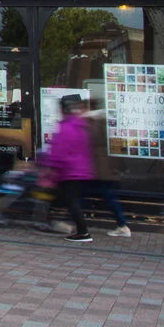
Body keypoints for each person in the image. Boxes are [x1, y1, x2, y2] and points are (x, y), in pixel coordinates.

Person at [38, 100, 97, 242]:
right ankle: (63, 225)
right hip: (79, 170)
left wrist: (49, 170)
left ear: (63, 110)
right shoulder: (80, 126)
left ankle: (82, 232)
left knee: (69, 201)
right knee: (68, 200)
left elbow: (58, 152)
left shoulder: (65, 128)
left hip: (68, 171)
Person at [76, 102, 133, 237]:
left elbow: (90, 142)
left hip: (99, 169)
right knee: (100, 196)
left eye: (81, 108)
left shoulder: (94, 122)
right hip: (100, 168)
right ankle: (121, 225)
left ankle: (122, 225)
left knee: (85, 196)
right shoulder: (100, 121)